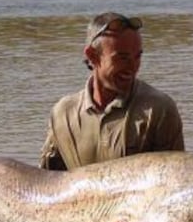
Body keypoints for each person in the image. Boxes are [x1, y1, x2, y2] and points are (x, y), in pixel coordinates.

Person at [39, 12, 184, 170]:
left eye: (137, 57)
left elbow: (176, 180)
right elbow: (46, 182)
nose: (132, 67)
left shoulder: (158, 109)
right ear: (93, 56)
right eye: (122, 58)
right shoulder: (63, 113)